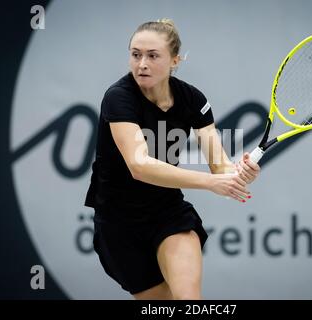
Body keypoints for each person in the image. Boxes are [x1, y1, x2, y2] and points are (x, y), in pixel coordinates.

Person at [84, 18, 260, 300]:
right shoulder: (118, 98)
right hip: (118, 224)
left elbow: (220, 164)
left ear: (174, 60)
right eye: (136, 54)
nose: (142, 63)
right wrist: (211, 182)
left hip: (168, 214)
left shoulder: (192, 99)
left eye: (153, 56)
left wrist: (238, 174)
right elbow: (139, 166)